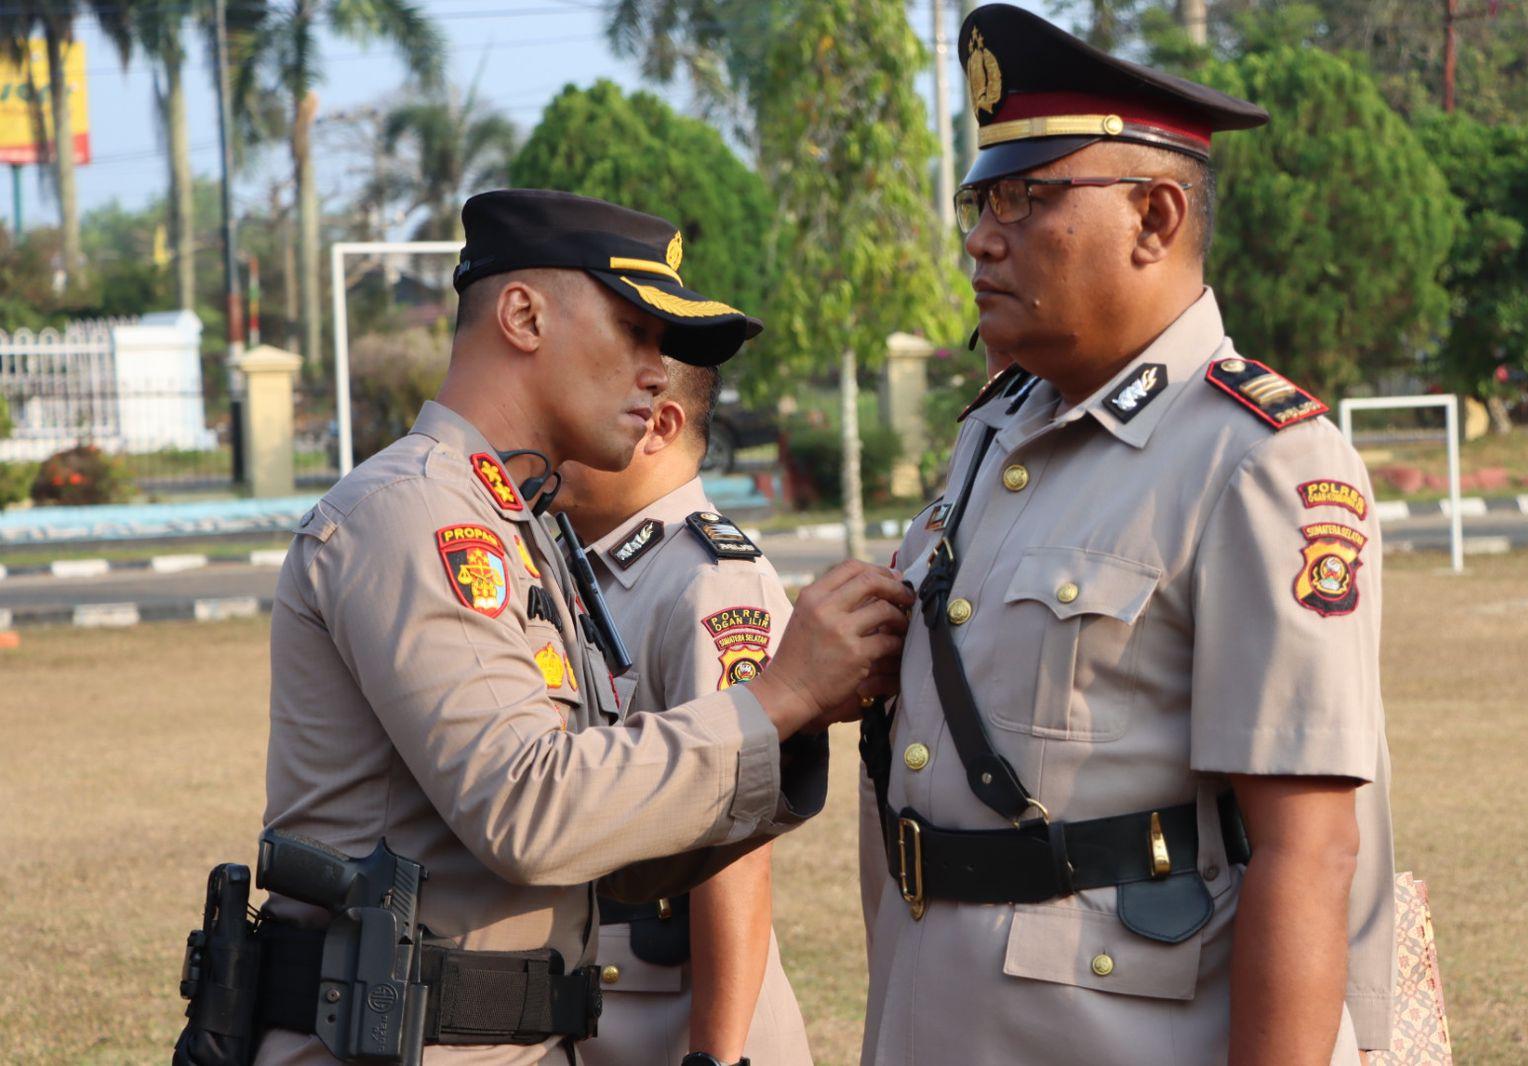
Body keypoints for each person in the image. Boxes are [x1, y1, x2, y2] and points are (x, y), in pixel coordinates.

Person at [257, 189, 912, 1065]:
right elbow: (529, 811)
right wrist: (776, 698)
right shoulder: (418, 511)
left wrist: (791, 721)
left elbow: (612, 857)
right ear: (523, 316)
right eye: (636, 330)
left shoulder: (522, 527)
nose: (657, 369)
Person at [857, 6, 1395, 1064]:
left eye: (1026, 196)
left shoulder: (1258, 460)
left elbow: (1307, 850)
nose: (979, 235)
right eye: (980, 199)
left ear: (1154, 217)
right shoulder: (994, 433)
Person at [555, 359, 813, 1066]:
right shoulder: (585, 567)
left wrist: (717, 1057)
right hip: (598, 1000)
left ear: (659, 426)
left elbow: (738, 843)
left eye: (577, 402)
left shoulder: (709, 581)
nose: (553, 430)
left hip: (672, 1023)